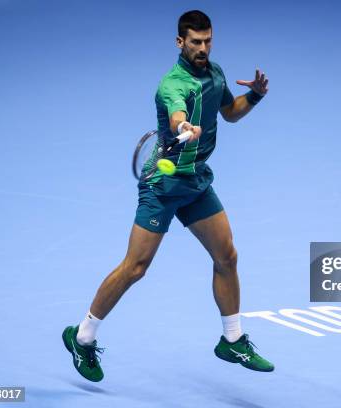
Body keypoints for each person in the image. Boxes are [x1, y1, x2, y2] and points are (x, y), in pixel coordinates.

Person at [62, 10, 274, 382]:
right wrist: (183, 125)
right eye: (195, 42)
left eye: (208, 40)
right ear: (180, 42)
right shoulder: (172, 84)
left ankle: (233, 339)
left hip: (194, 182)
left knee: (227, 256)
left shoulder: (216, 73)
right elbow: (177, 112)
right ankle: (82, 336)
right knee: (136, 268)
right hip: (162, 186)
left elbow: (229, 113)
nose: (203, 48)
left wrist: (253, 98)